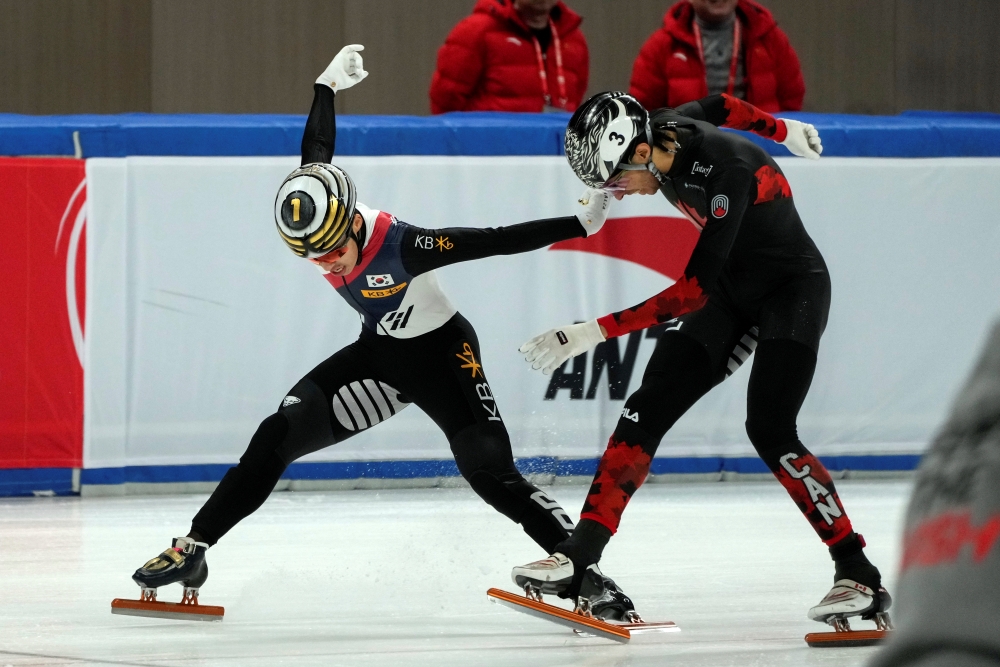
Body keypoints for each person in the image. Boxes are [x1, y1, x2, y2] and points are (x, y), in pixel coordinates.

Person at [125, 45, 637, 621]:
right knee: (275, 435)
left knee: (490, 475)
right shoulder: (315, 205)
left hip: (445, 356)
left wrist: (582, 223)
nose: (332, 266)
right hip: (381, 359)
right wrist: (325, 87)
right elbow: (315, 151)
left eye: (336, 252)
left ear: (351, 220)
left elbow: (491, 238)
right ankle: (193, 549)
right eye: (315, 259)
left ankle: (585, 572)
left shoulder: (405, 244)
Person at [509, 90, 893, 631]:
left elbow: (690, 293)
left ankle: (858, 572)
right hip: (732, 291)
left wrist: (593, 331)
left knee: (771, 428)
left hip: (791, 292)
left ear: (641, 152)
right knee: (647, 407)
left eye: (615, 180)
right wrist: (782, 130)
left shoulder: (728, 174)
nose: (619, 191)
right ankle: (579, 556)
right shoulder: (662, 126)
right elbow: (718, 104)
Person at [629, 0, 804, 112]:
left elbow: (791, 103)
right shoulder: (661, 46)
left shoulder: (769, 39)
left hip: (760, 151)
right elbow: (644, 112)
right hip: (686, 156)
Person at [429, 0, 589, 113]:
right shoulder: (476, 31)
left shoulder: (573, 39)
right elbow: (446, 101)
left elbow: (575, 97)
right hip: (491, 154)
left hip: (550, 154)